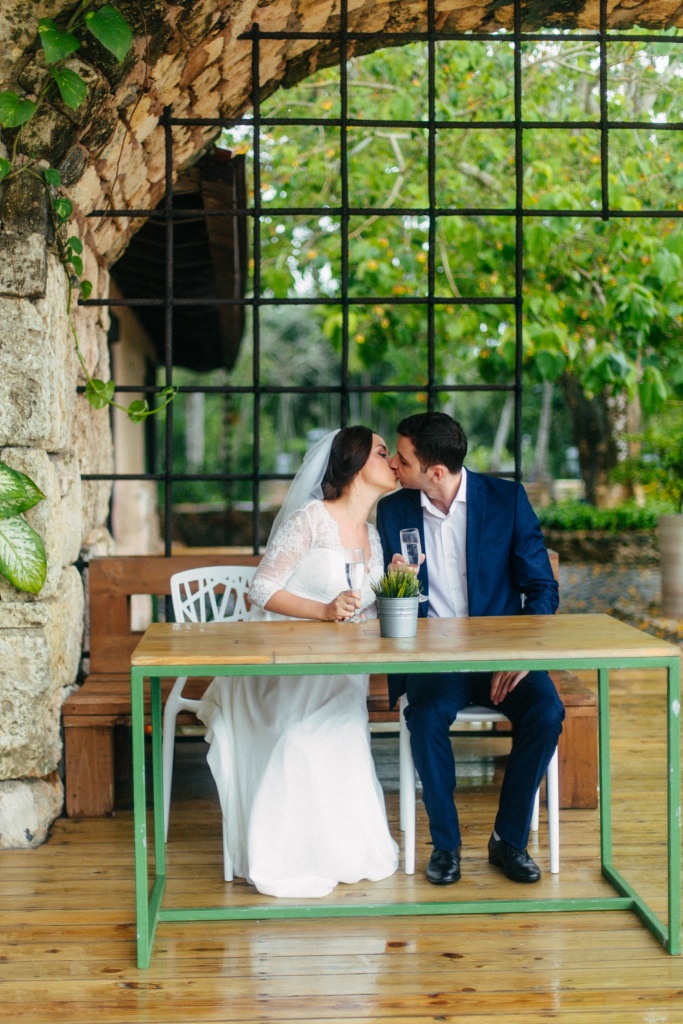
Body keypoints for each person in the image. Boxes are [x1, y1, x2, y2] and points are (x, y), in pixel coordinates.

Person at [197, 426, 400, 898]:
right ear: (354, 463)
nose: (392, 461)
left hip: (341, 668)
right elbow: (262, 588)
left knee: (341, 722)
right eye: (382, 452)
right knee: (300, 737)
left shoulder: (373, 536)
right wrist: (323, 611)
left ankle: (339, 851)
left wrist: (396, 583)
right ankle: (284, 854)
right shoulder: (311, 518)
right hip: (281, 666)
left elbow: (363, 612)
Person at [375, 411, 564, 886]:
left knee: (547, 712)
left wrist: (522, 655)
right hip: (434, 660)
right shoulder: (394, 511)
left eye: (403, 458)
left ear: (436, 471)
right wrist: (396, 584)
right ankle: (446, 845)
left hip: (505, 656)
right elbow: (383, 602)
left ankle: (509, 840)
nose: (394, 464)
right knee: (425, 717)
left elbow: (542, 588)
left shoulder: (506, 500)